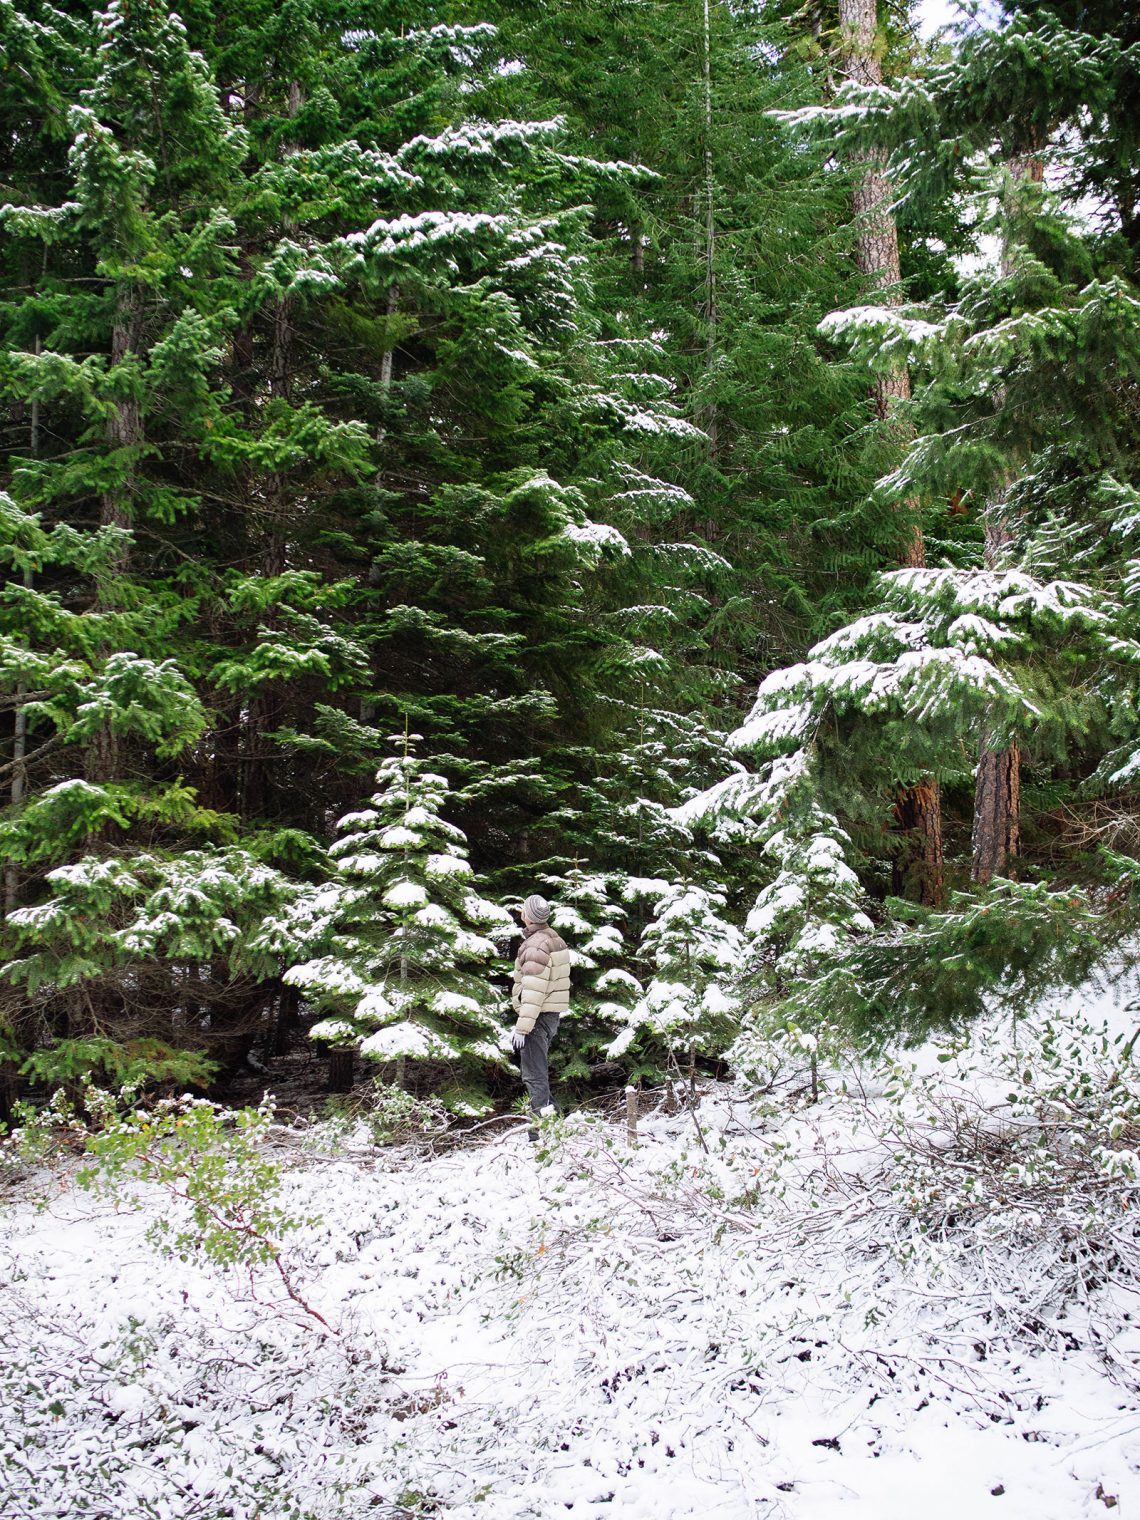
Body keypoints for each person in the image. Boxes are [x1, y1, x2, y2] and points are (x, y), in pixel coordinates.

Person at [510, 893, 570, 1139]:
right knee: (538, 1072)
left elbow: (534, 991)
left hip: (536, 1017)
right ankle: (555, 1125)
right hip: (548, 1016)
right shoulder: (553, 938)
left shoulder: (536, 946)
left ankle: (539, 1136)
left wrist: (523, 1028)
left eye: (523, 910)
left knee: (534, 1076)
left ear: (528, 916)